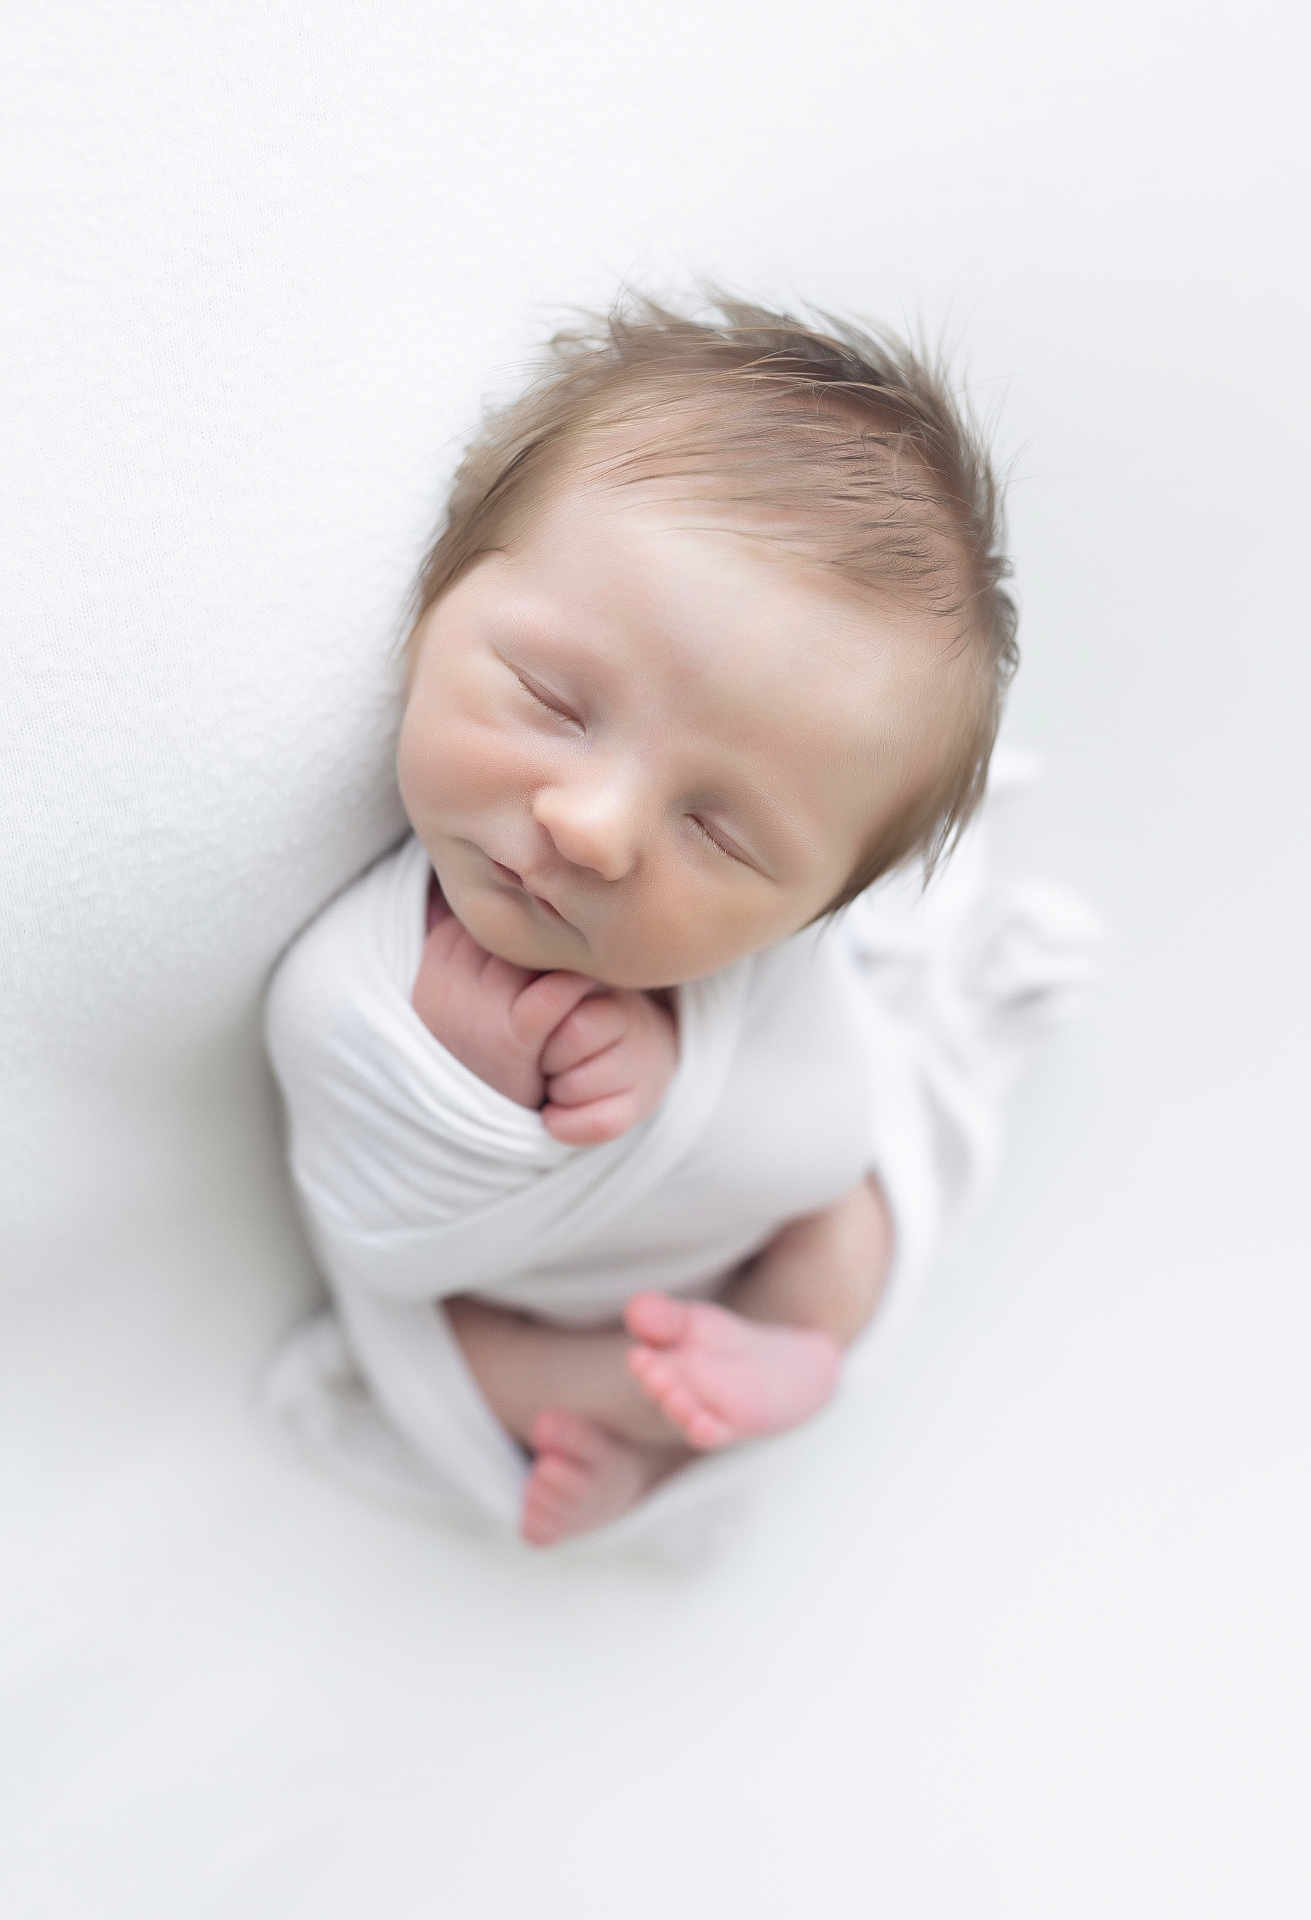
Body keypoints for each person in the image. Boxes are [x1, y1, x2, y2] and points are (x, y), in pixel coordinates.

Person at [266, 284, 1019, 1550]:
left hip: (762, 1226)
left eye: (720, 835)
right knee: (444, 1343)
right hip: (523, 1303)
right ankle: (620, 1405)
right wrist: (469, 1090)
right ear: (441, 587)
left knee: (847, 1220)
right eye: (554, 701)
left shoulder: (781, 963)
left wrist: (672, 1081)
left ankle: (782, 1346)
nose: (594, 829)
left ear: (821, 905)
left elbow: (821, 1113)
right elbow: (384, 1238)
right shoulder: (362, 977)